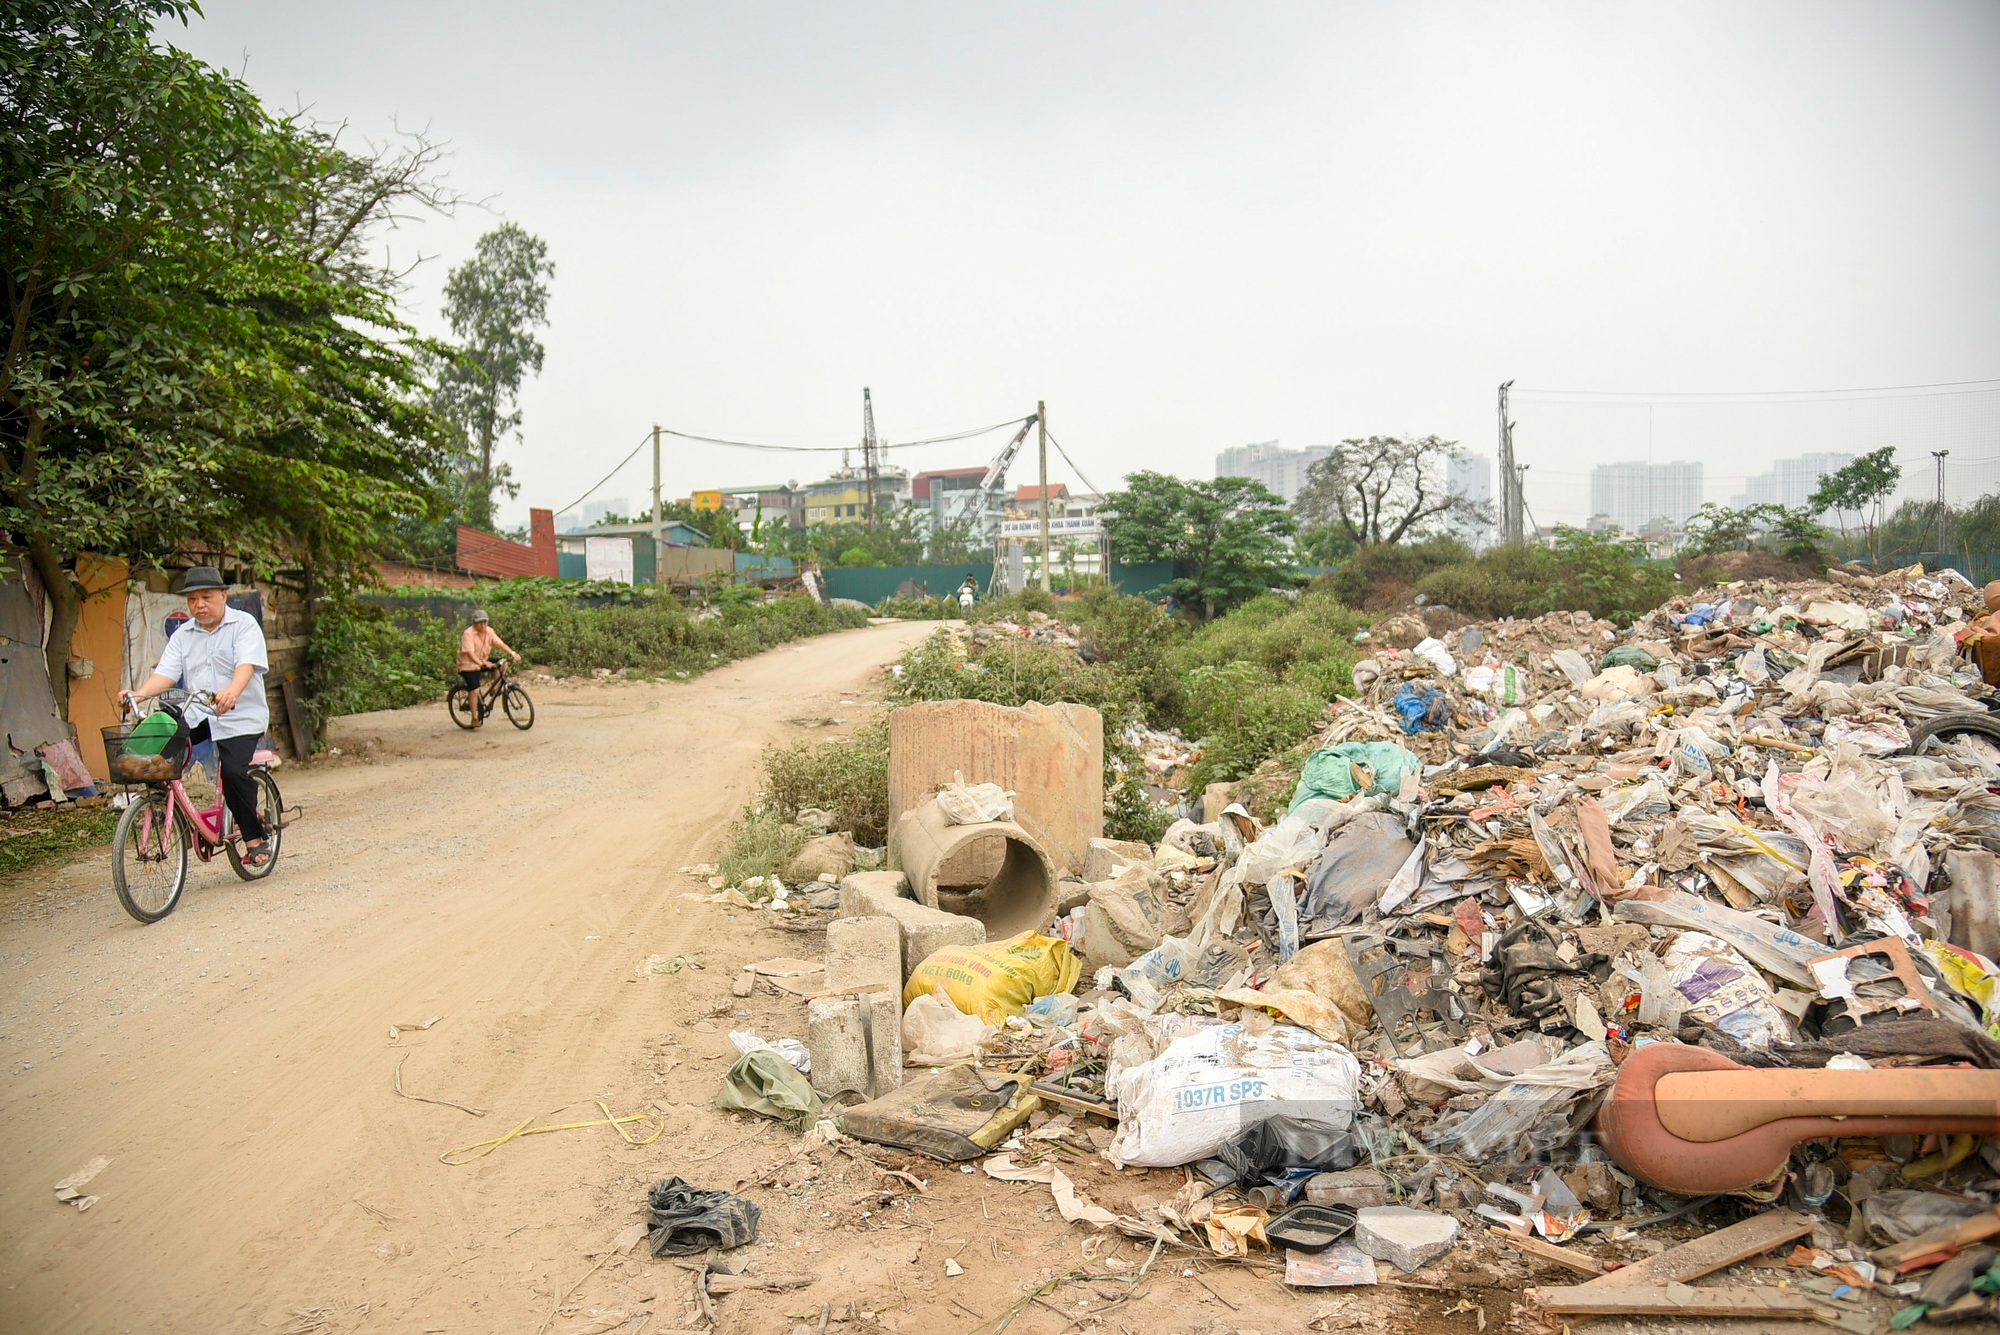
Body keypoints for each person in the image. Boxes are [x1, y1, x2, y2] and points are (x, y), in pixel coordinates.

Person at [122, 566, 272, 866]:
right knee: (155, 754)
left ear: (223, 596)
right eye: (192, 599)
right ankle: (164, 809)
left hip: (239, 714)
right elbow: (165, 673)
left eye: (206, 597)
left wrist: (232, 692)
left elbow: (246, 665)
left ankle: (255, 838)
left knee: (231, 772)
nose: (199, 605)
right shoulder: (183, 635)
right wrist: (137, 694)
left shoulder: (243, 625)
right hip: (199, 713)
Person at [457, 609, 521, 726]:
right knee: (475, 690)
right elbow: (470, 654)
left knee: (502, 663)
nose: (482, 625)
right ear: (474, 623)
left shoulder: (489, 632)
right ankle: (474, 718)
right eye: (479, 623)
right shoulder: (468, 634)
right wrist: (482, 663)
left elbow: (501, 644)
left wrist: (513, 653)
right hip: (468, 665)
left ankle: (494, 689)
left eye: (485, 622)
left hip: (483, 660)